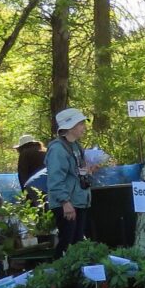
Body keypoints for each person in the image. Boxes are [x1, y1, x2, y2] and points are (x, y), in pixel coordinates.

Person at [45, 108, 93, 258]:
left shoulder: (76, 146)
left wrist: (89, 171)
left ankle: (74, 271)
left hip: (78, 201)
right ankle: (59, 270)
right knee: (66, 243)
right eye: (81, 124)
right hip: (67, 204)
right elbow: (55, 179)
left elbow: (75, 173)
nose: (84, 127)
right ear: (70, 126)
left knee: (77, 244)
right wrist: (65, 202)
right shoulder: (57, 149)